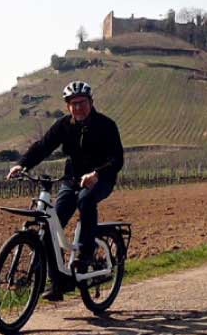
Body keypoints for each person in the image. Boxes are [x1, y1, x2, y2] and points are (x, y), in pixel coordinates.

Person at [7, 80, 124, 282]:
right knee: (54, 221)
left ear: (91, 102)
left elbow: (117, 159)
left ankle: (86, 252)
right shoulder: (63, 125)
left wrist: (96, 174)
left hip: (101, 179)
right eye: (73, 103)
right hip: (72, 180)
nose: (78, 107)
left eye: (82, 102)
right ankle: (58, 280)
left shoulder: (106, 125)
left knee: (86, 200)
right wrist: (23, 165)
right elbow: (43, 146)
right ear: (68, 106)